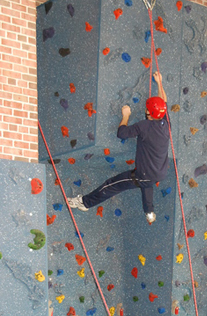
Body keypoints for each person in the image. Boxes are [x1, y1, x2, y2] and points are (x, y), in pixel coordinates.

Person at [67, 71, 170, 224]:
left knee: (112, 185)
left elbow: (122, 133)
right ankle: (149, 212)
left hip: (146, 173)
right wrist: (159, 83)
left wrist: (126, 115)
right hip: (159, 172)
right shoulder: (165, 123)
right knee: (147, 183)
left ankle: (84, 203)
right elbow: (164, 102)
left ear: (148, 113)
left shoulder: (144, 126)